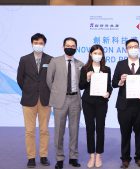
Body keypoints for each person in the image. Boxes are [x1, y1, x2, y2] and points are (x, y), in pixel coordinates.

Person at [47, 37, 84, 169]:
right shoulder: (55, 61)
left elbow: (82, 83)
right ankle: (59, 158)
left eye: (73, 46)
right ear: (63, 47)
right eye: (68, 45)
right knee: (59, 131)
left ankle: (73, 157)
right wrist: (58, 93)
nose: (70, 47)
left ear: (76, 47)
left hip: (75, 100)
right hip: (60, 100)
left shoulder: (80, 64)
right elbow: (49, 80)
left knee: (74, 130)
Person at [112, 39, 140, 168]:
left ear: (139, 48)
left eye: (135, 46)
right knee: (125, 133)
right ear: (126, 49)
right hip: (124, 106)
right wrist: (120, 81)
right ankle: (125, 159)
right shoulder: (120, 64)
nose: (133, 48)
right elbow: (113, 83)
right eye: (130, 47)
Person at [17, 33, 52, 168]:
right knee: (29, 131)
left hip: (45, 99)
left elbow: (52, 79)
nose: (38, 45)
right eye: (36, 42)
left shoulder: (50, 59)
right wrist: (28, 90)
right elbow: (20, 79)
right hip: (28, 99)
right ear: (32, 43)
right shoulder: (24, 59)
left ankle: (43, 156)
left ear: (44, 44)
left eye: (41, 43)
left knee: (44, 130)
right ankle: (31, 157)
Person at [79, 44, 113, 168]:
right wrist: (87, 79)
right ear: (90, 54)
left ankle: (98, 154)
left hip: (101, 103)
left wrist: (108, 93)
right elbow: (81, 86)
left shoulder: (107, 69)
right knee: (89, 128)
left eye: (99, 53)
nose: (97, 55)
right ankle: (91, 156)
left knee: (100, 128)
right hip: (88, 102)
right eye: (95, 53)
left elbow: (109, 86)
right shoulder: (85, 68)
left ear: (102, 55)